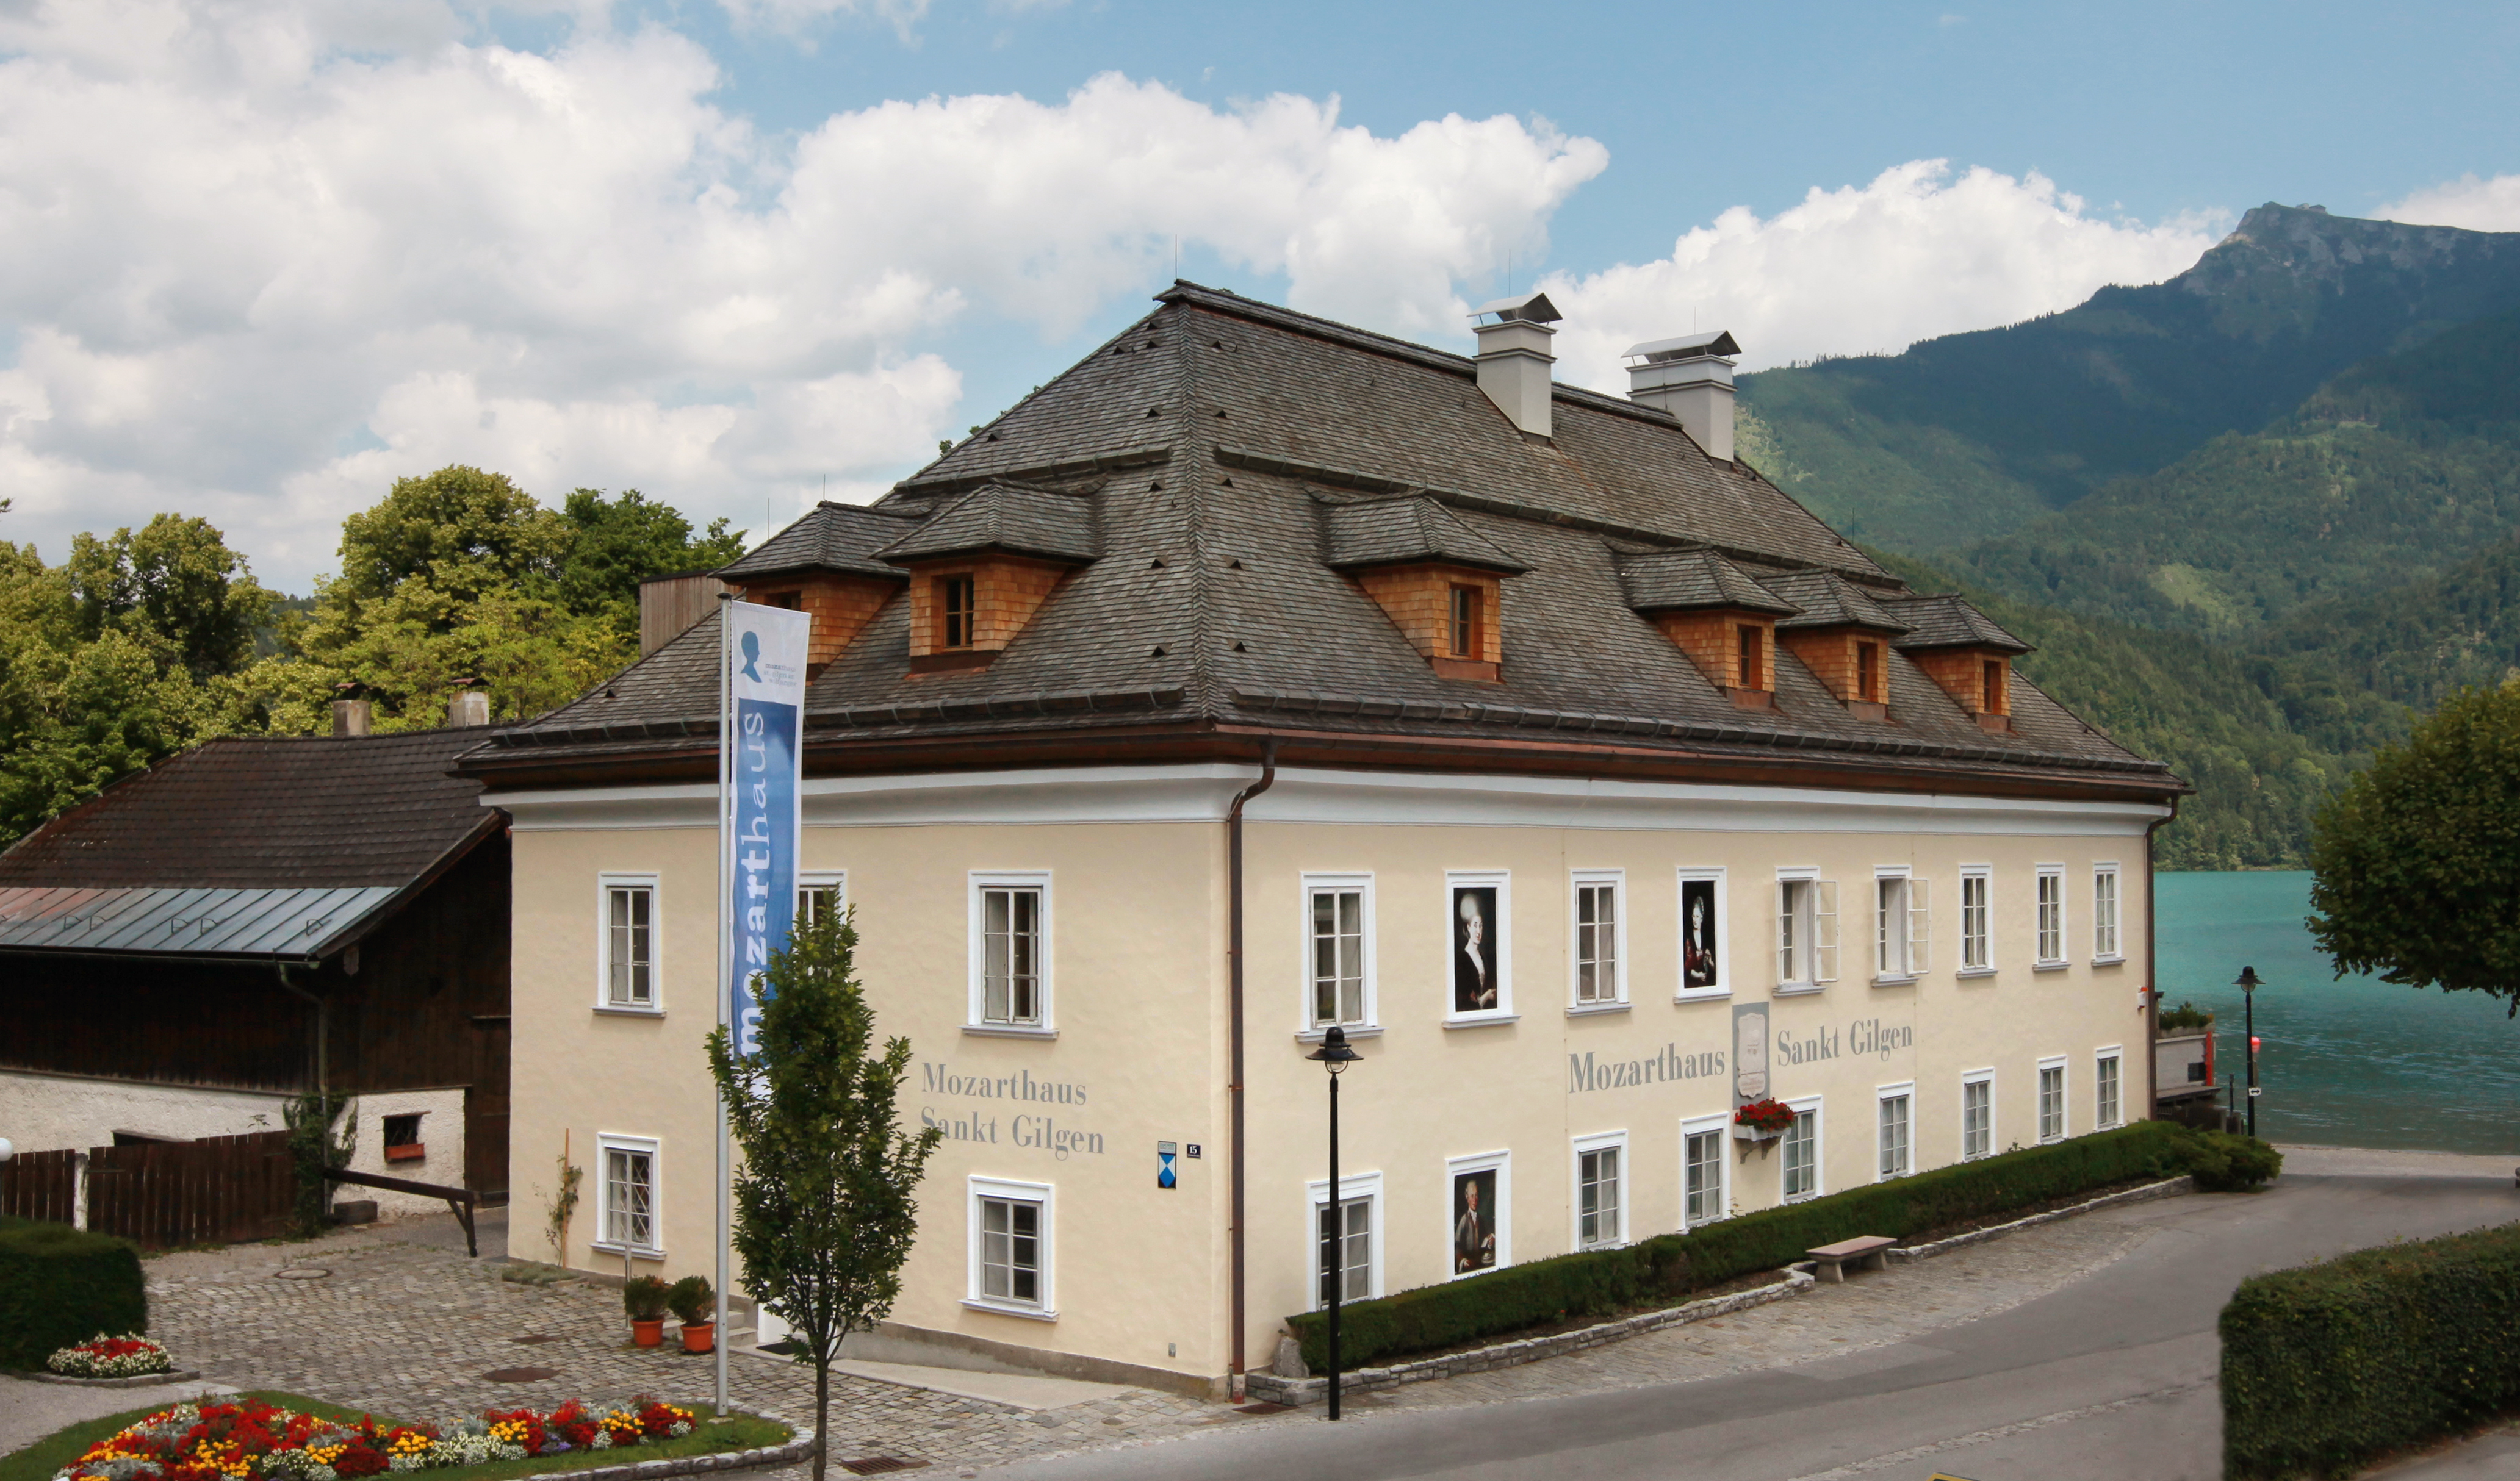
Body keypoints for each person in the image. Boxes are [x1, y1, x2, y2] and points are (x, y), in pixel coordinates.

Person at [1458, 893, 1494, 1011]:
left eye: (1481, 926)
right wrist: (1486, 996)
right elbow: (1466, 1001)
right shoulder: (1462, 959)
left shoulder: (1482, 957)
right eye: (1475, 925)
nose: (1479, 931)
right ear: (1468, 927)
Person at [1455, 1177, 1494, 1271]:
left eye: (1476, 1196)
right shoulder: (1464, 1220)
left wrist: (1489, 1242)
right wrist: (1463, 1261)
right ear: (1467, 1197)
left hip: (1480, 1265)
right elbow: (1456, 1245)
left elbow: (1483, 1242)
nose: (1474, 1200)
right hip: (1469, 1266)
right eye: (1472, 1196)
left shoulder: (1480, 1219)